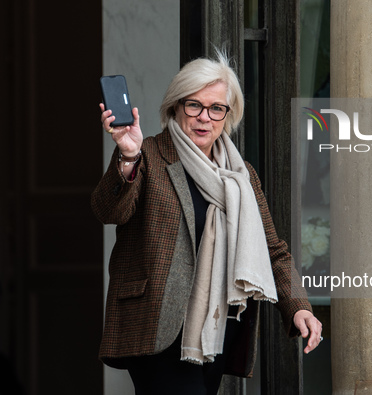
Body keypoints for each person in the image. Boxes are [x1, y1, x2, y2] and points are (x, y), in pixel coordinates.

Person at [92, 51, 322, 394]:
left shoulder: (241, 175)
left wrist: (298, 306)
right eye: (194, 105)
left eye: (216, 108)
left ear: (228, 115)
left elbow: (273, 249)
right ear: (175, 106)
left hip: (218, 329)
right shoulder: (150, 156)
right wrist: (127, 157)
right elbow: (108, 211)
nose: (205, 118)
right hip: (158, 327)